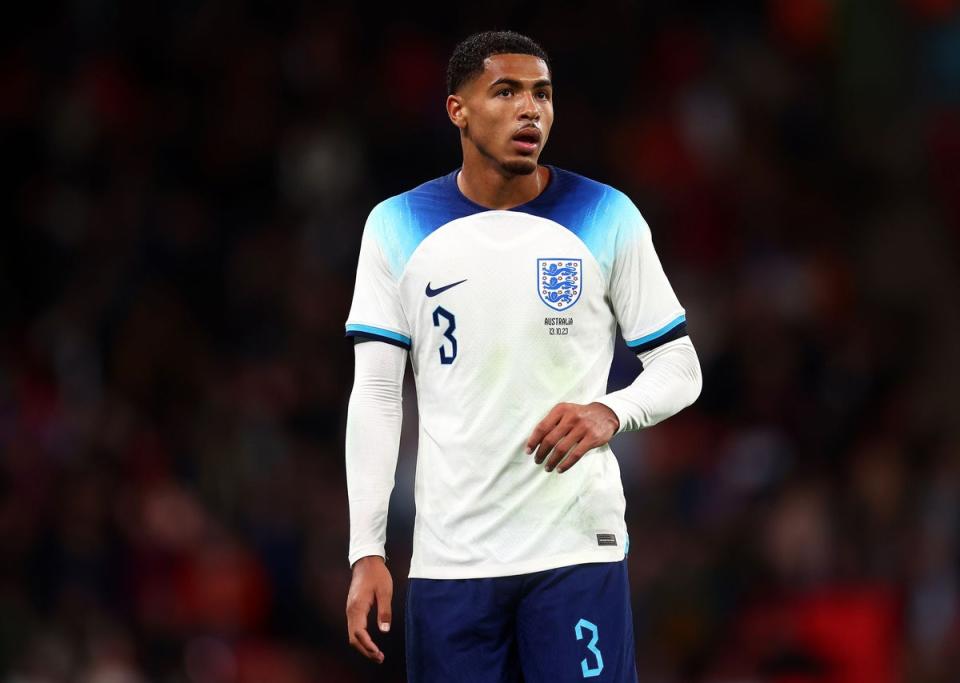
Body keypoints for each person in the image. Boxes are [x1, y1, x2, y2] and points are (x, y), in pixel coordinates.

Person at [343, 30, 702, 682]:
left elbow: (681, 367)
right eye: (505, 92)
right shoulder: (395, 226)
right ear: (458, 110)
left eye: (542, 93)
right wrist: (366, 548)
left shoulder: (607, 215)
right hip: (452, 562)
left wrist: (610, 412)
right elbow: (376, 392)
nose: (529, 109)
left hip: (575, 550)